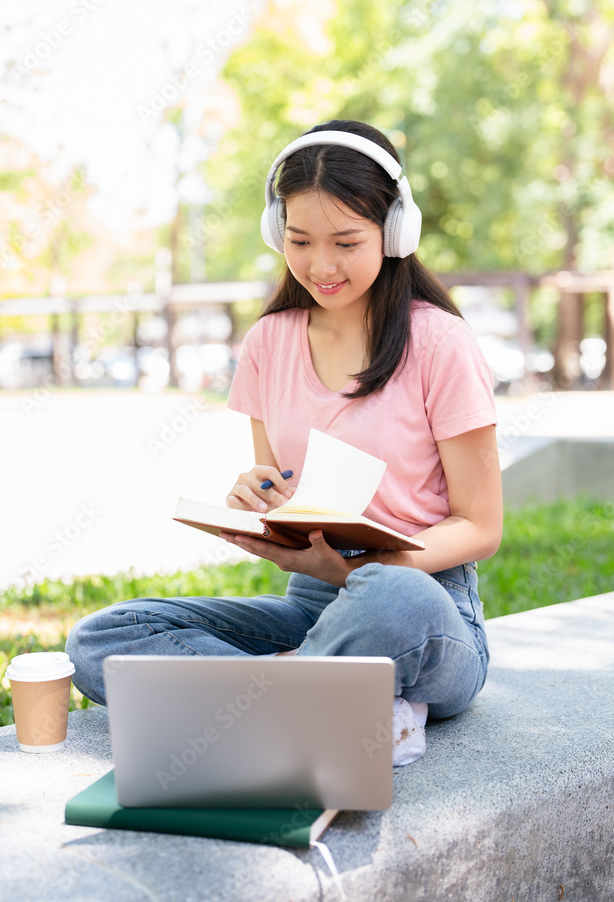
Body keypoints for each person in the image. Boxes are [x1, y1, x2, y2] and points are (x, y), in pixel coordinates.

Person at [65, 120, 502, 736]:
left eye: (346, 243)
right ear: (278, 232)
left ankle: (264, 704)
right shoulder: (269, 342)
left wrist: (356, 570)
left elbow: (481, 526)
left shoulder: (441, 342)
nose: (319, 265)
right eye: (299, 240)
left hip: (417, 609)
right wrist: (264, 503)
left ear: (395, 231)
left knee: (394, 595)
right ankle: (311, 696)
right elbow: (290, 496)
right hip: (312, 610)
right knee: (100, 637)